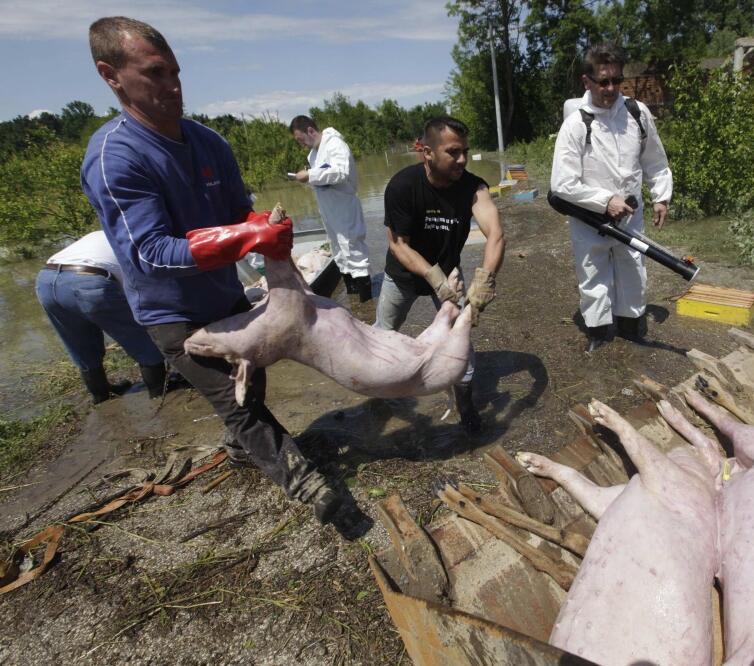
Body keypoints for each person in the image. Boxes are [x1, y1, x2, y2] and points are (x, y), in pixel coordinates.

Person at [81, 16, 349, 528]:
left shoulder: (210, 144)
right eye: (155, 73)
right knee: (237, 400)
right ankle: (306, 480)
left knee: (254, 381)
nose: (173, 86)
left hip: (225, 294)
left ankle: (240, 445)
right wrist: (245, 237)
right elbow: (150, 253)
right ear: (110, 75)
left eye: (176, 72)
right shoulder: (115, 156)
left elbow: (237, 211)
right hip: (172, 313)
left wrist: (264, 227)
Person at [374, 116, 505, 433]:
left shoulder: (473, 187)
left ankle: (466, 406)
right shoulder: (402, 186)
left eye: (465, 152)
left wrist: (483, 282)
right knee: (381, 333)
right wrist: (434, 280)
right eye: (453, 152)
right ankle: (377, 393)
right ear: (426, 152)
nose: (462, 160)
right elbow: (398, 245)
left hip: (450, 274)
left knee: (462, 343)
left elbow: (496, 235)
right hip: (402, 277)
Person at [550, 42, 673, 353]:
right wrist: (604, 201)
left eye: (617, 81)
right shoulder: (576, 124)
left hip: (631, 215)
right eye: (603, 81)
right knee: (593, 276)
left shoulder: (636, 112)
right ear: (587, 81)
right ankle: (599, 333)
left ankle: (632, 327)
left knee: (633, 269)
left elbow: (655, 160)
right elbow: (562, 184)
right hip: (589, 218)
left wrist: (661, 196)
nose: (610, 88)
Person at [36, 230, 168, 404]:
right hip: (88, 279)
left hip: (45, 280)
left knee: (80, 346)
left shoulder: (102, 233)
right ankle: (159, 392)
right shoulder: (139, 242)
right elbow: (144, 292)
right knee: (141, 340)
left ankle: (101, 396)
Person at [289, 115, 372, 302]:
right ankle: (353, 299)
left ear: (310, 130)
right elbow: (322, 181)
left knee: (353, 249)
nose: (302, 145)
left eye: (301, 139)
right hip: (328, 210)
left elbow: (340, 173)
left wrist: (310, 174)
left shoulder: (335, 144)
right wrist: (307, 179)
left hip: (344, 207)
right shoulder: (313, 154)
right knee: (339, 252)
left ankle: (366, 302)